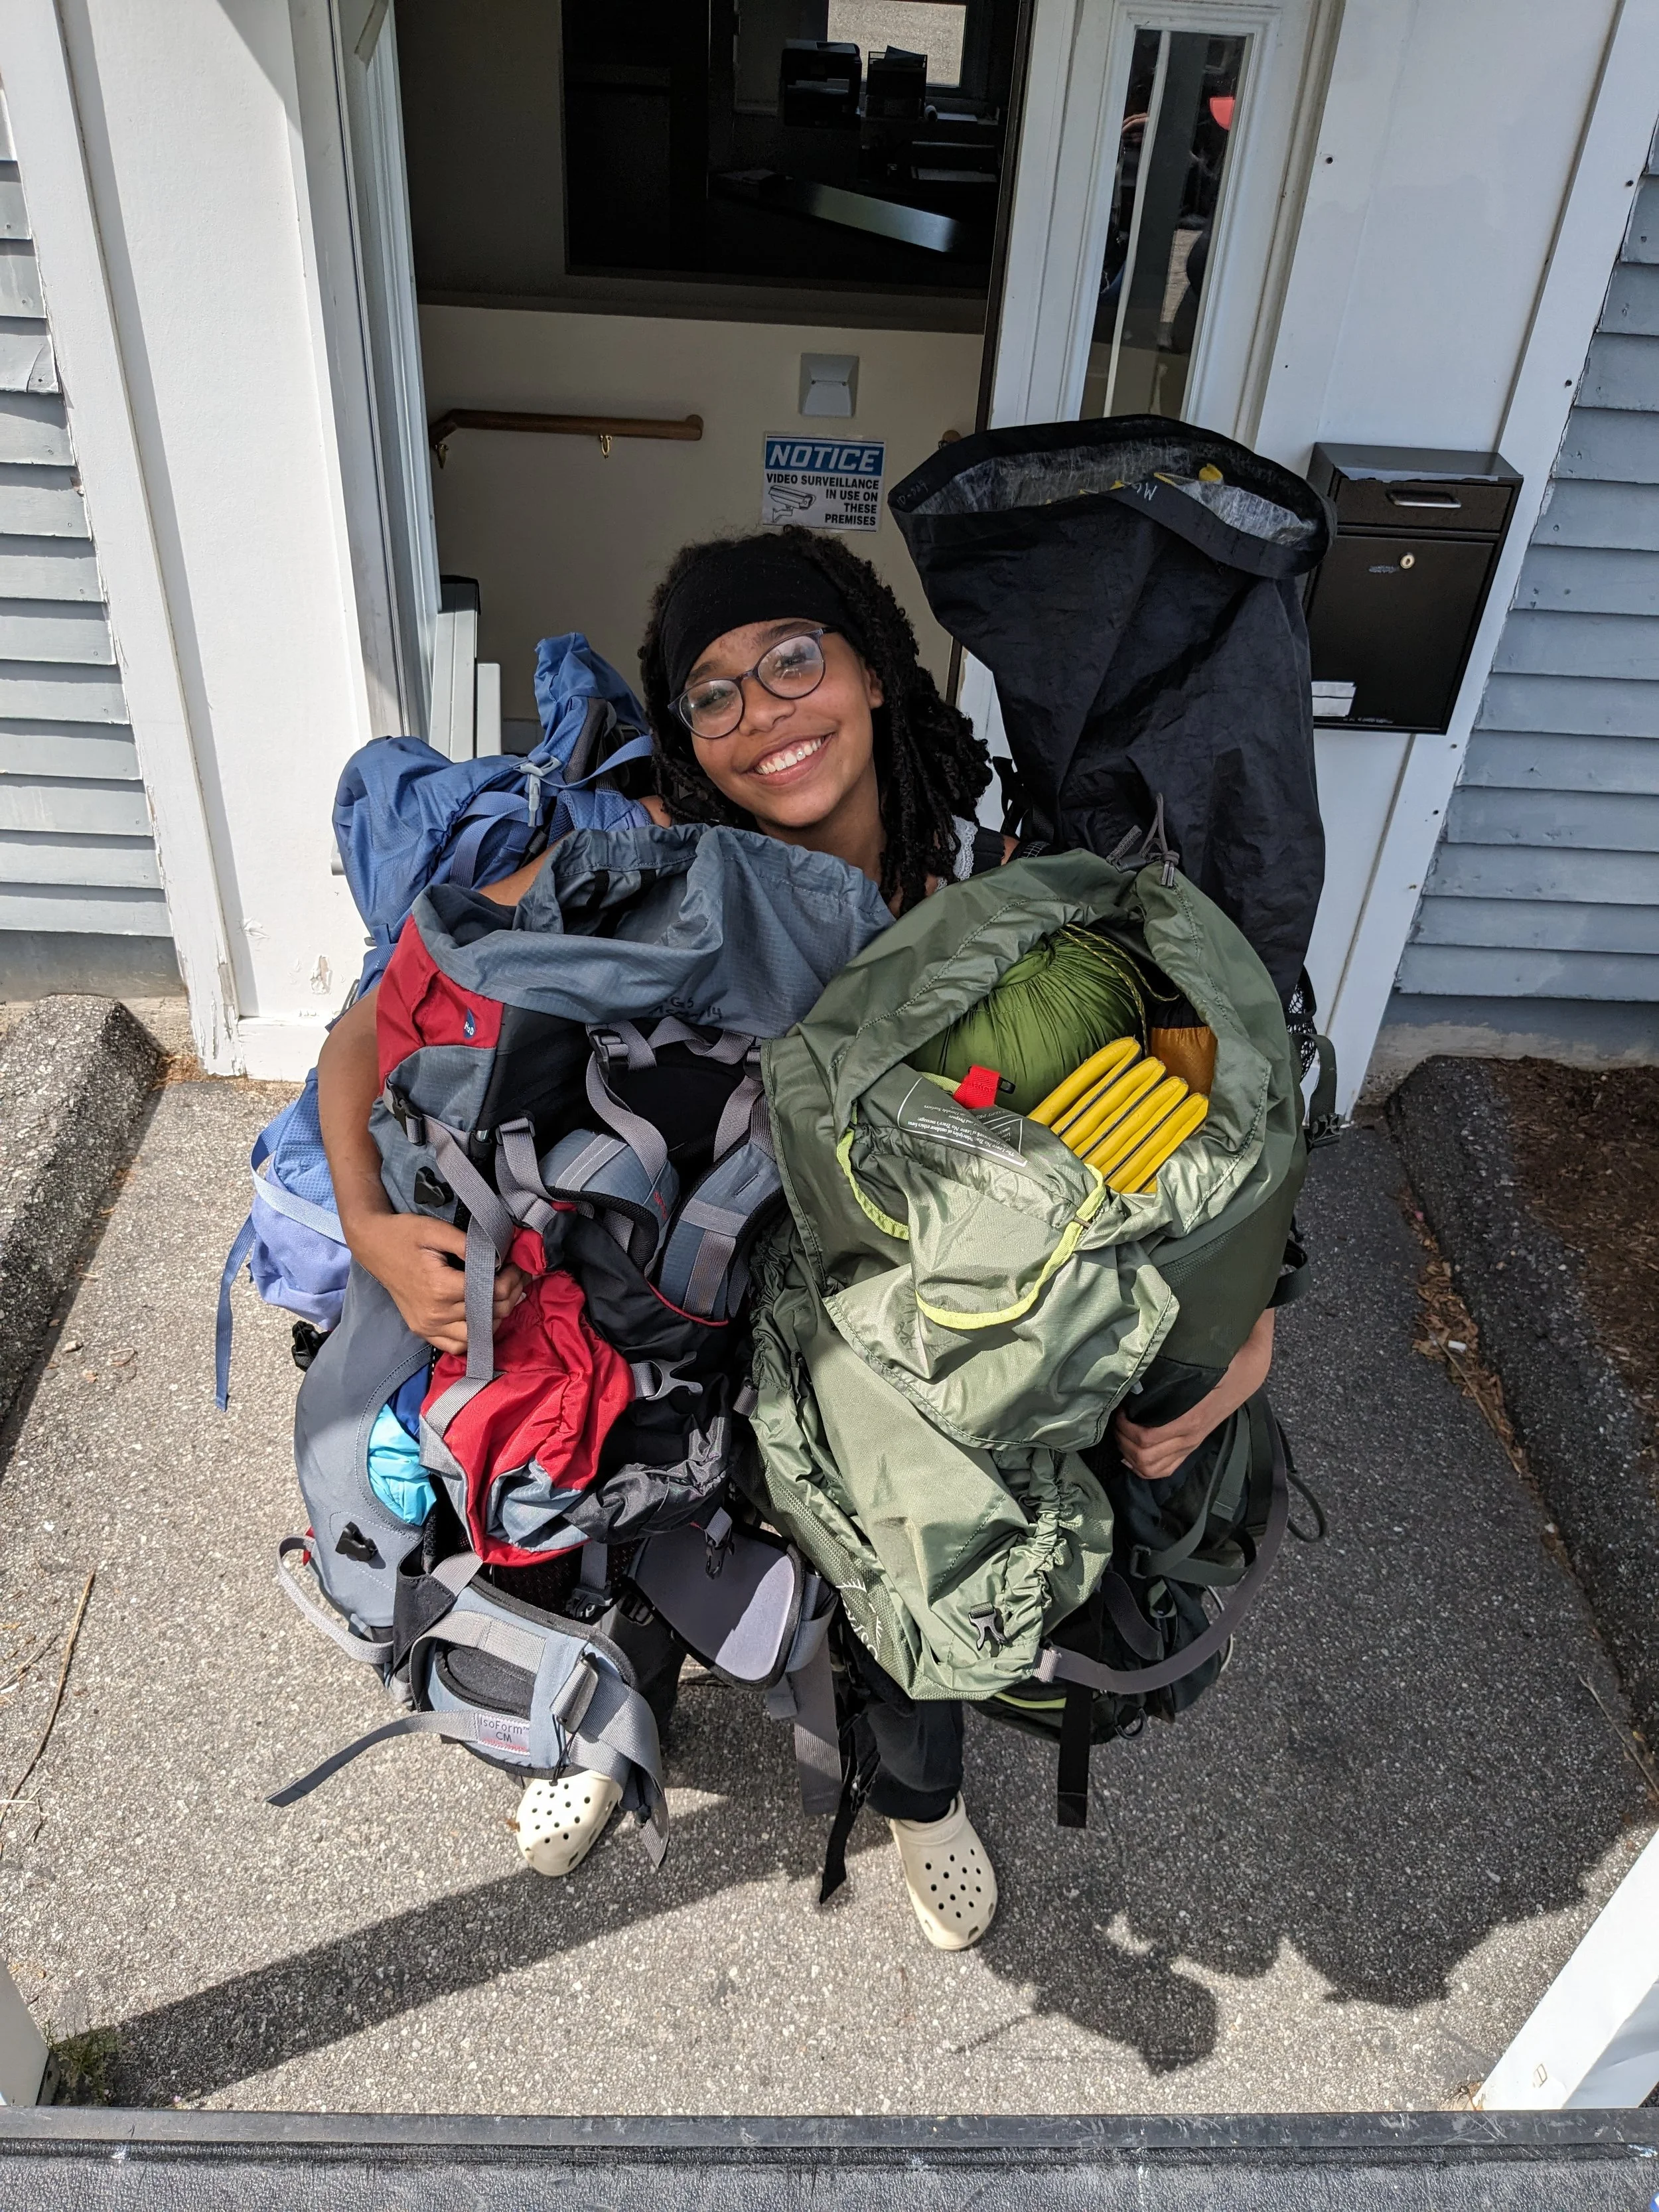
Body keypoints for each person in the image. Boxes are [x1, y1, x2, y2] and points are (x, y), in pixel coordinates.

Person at [314, 526, 1275, 1949]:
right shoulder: (642, 865)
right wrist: (369, 1222)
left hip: (907, 1391)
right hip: (672, 1359)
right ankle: (595, 1726)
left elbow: (1214, 1159)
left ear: (876, 673)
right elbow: (372, 1019)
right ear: (686, 741)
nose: (763, 713)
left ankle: (920, 1797)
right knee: (621, 1552)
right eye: (713, 694)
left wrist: (1240, 1346)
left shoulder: (1018, 897)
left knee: (913, 1609)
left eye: (791, 659)